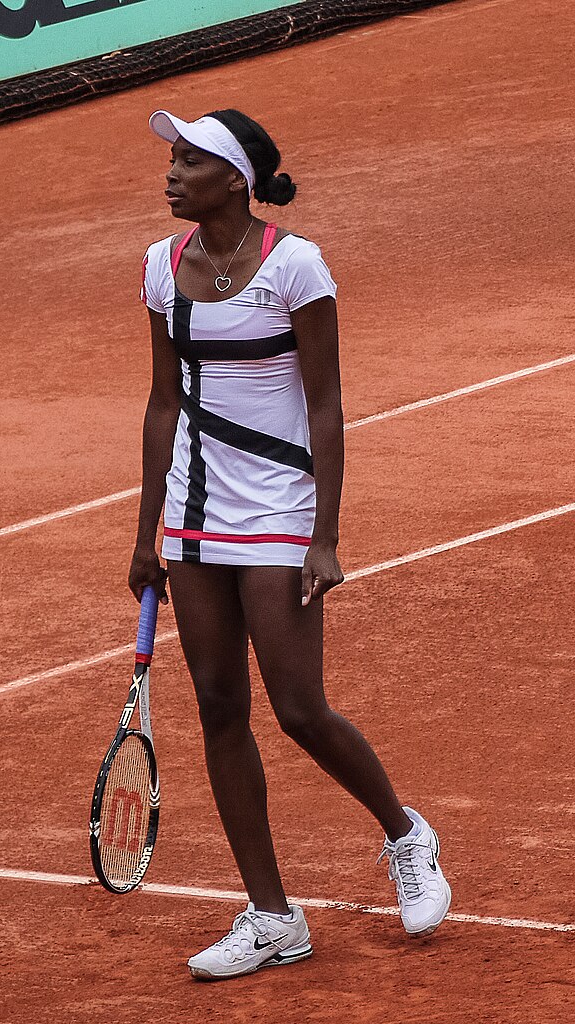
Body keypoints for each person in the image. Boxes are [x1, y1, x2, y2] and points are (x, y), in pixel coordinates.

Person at [128, 108, 451, 980]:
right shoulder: (160, 268)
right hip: (195, 514)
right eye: (171, 159)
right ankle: (273, 917)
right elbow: (164, 403)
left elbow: (325, 404)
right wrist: (146, 530)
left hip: (277, 510)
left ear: (234, 178)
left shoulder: (296, 266)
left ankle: (404, 832)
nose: (170, 172)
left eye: (189, 160)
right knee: (220, 708)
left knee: (299, 708)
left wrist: (325, 536)